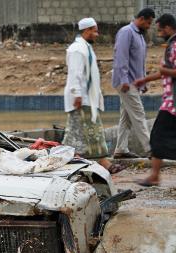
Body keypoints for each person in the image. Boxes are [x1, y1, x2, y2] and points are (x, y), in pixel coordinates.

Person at [63, 18, 126, 174]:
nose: (97, 34)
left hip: (87, 98)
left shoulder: (85, 48)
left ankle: (83, 162)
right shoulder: (77, 49)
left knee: (78, 134)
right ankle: (104, 164)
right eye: (95, 31)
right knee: (89, 132)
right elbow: (75, 74)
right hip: (81, 98)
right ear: (86, 30)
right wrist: (77, 94)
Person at [133, 14, 176, 186]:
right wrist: (145, 80)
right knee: (159, 137)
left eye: (160, 29)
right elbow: (166, 70)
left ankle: (154, 176)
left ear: (168, 27)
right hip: (171, 101)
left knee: (157, 136)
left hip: (173, 103)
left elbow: (168, 71)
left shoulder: (174, 45)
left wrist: (164, 71)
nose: (159, 33)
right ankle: (154, 176)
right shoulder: (171, 45)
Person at [112, 8, 155, 159]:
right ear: (142, 19)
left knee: (127, 117)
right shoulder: (126, 32)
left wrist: (142, 82)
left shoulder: (140, 36)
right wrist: (124, 80)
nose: (149, 26)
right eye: (148, 22)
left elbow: (139, 63)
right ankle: (151, 150)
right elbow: (121, 58)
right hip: (125, 82)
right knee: (138, 114)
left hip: (133, 82)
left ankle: (121, 149)